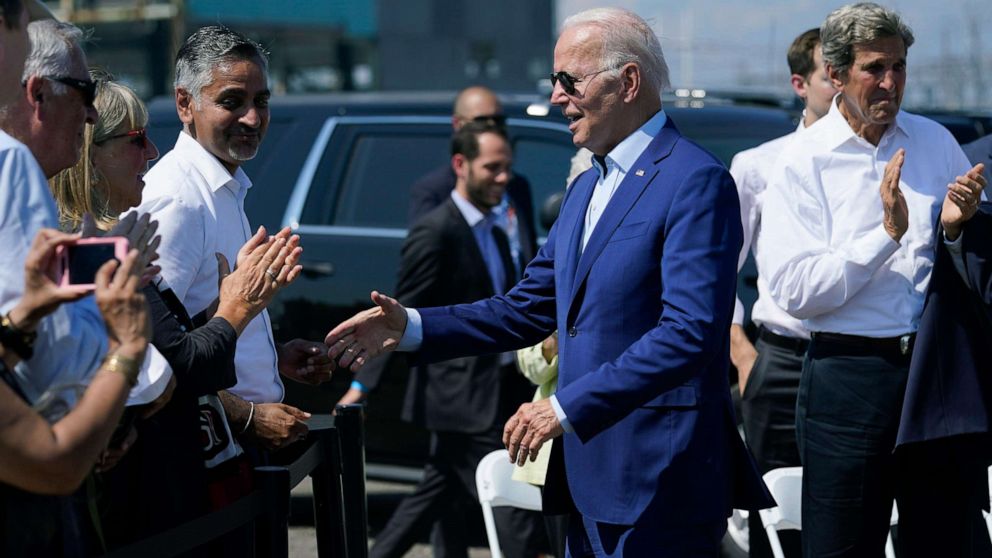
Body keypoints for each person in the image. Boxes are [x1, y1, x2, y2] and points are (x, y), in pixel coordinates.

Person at [326, 8, 772, 556]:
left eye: (569, 80)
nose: (557, 97)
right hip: (584, 479)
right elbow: (523, 308)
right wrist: (411, 326)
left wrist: (562, 408)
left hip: (660, 479)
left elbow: (689, 334)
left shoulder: (694, 180)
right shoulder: (586, 185)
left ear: (628, 82)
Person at [756, 3, 986, 556]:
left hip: (934, 374)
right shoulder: (800, 161)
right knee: (842, 547)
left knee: (948, 543)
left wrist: (956, 231)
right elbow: (795, 293)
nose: (890, 82)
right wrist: (885, 235)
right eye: (874, 68)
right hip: (849, 379)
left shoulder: (935, 142)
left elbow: (969, 265)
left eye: (899, 66)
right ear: (834, 74)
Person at [50, 73, 304, 550]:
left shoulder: (113, 240)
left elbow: (170, 343)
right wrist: (236, 308)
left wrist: (229, 308)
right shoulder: (113, 239)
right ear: (90, 152)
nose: (151, 152)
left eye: (261, 101)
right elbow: (177, 365)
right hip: (138, 493)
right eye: (136, 139)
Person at [139, 25, 333, 454]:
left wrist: (273, 353)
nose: (251, 117)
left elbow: (209, 319)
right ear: (185, 104)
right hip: (207, 454)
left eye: (260, 101)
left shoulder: (221, 184)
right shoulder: (177, 198)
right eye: (232, 102)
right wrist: (246, 416)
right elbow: (155, 355)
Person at [365, 122, 541, 558]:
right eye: (493, 168)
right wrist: (362, 385)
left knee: (435, 494)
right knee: (512, 508)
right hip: (460, 395)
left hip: (499, 387)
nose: (505, 178)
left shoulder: (500, 229)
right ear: (460, 165)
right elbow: (401, 315)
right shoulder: (436, 231)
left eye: (508, 168)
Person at [0, 17, 169, 409]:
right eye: (84, 92)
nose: (90, 115)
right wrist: (109, 279)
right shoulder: (13, 165)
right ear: (38, 93)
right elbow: (58, 363)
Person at [339, 85, 540, 406]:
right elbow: (417, 283)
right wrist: (363, 386)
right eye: (482, 121)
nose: (493, 129)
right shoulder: (437, 199)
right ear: (458, 126)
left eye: (499, 121)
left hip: (514, 364)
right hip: (463, 373)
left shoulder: (514, 186)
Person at [727, 27, 835, 558]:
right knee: (770, 515)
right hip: (781, 357)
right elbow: (723, 267)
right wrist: (743, 352)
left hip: (853, 356)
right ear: (800, 83)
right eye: (827, 74)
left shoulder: (878, 158)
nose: (841, 84)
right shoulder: (758, 164)